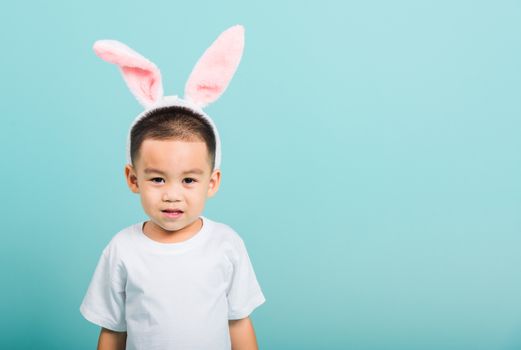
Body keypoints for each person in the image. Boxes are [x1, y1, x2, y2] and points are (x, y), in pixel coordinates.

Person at [79, 25, 266, 350]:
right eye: (157, 179)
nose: (172, 194)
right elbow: (113, 331)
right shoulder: (122, 249)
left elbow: (238, 321)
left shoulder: (226, 244)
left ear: (212, 182)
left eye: (189, 180)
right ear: (133, 179)